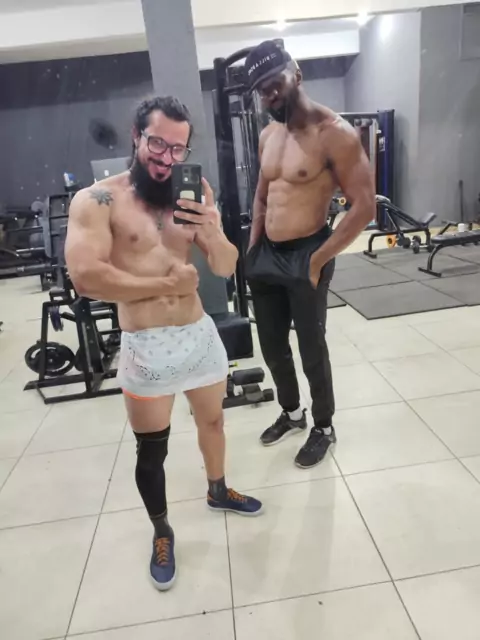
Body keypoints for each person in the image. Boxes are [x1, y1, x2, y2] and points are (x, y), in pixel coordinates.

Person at [65, 96, 263, 592]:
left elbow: (224, 266)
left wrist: (212, 232)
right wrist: (163, 285)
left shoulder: (195, 192)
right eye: (157, 144)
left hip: (198, 335)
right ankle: (162, 531)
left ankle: (218, 489)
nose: (166, 158)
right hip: (146, 345)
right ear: (137, 136)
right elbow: (85, 277)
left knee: (213, 422)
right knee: (152, 451)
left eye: (178, 149)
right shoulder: (97, 200)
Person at [244, 41, 376, 469]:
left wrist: (318, 260)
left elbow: (364, 207)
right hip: (267, 254)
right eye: (262, 90)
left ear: (296, 74)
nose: (270, 95)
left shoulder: (334, 134)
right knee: (271, 346)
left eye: (274, 84)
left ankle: (323, 426)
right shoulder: (268, 135)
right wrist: (253, 247)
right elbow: (262, 195)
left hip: (308, 252)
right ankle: (292, 412)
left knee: (311, 348)